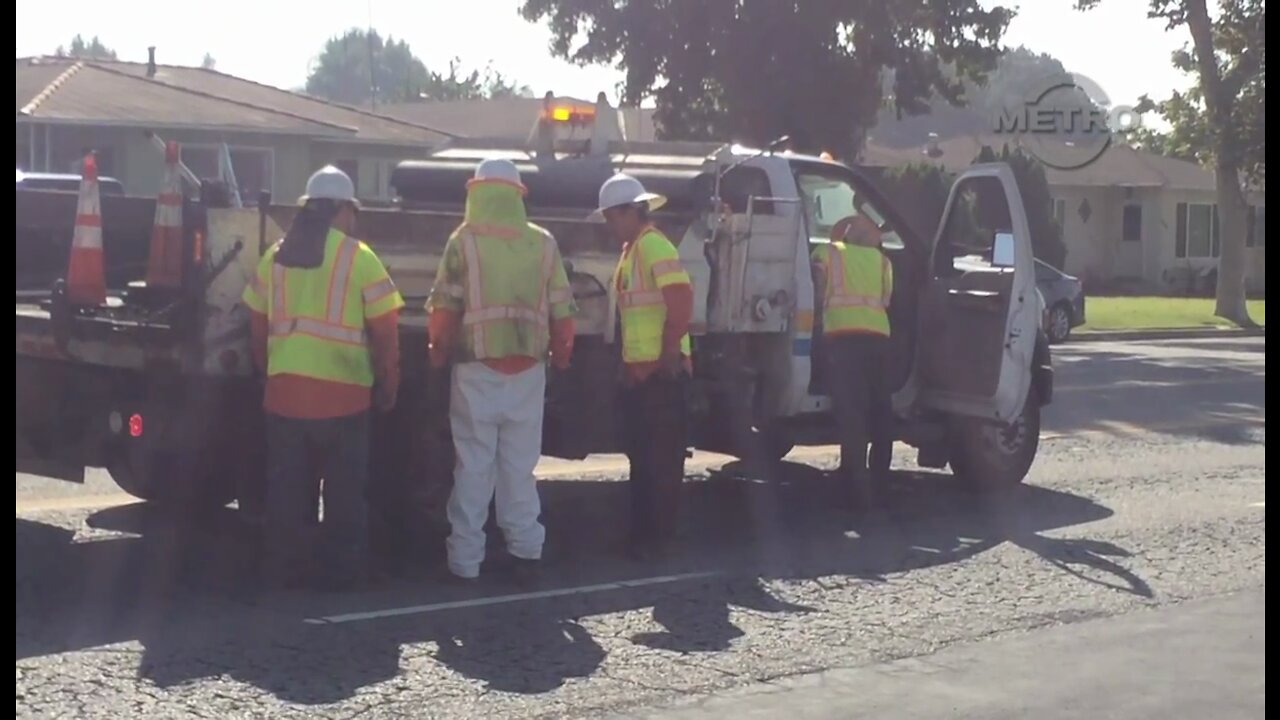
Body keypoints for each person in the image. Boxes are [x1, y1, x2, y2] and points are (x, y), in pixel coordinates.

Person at [241, 165, 404, 589]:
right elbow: (386, 331)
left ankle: (281, 572)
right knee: (345, 494)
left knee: (288, 492)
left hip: (285, 397)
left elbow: (256, 323)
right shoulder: (359, 257)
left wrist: (267, 371)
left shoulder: (274, 256)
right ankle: (342, 575)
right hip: (344, 398)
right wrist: (388, 383)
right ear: (343, 211)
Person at [426, 159, 577, 584]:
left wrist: (437, 354)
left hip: (477, 369)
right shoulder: (543, 243)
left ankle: (465, 562)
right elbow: (564, 316)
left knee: (473, 465)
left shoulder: (465, 241)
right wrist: (561, 357)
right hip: (529, 371)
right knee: (519, 466)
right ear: (517, 196)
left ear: (475, 192)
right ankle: (527, 552)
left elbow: (445, 310)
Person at [594, 173, 694, 559]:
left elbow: (681, 298)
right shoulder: (633, 249)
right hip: (643, 373)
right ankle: (643, 537)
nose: (608, 224)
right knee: (645, 458)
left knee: (661, 462)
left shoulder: (652, 246)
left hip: (661, 374)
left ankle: (657, 540)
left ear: (630, 211)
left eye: (611, 216)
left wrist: (669, 351)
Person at [810, 214, 893, 510]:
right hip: (878, 339)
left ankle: (855, 488)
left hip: (843, 339)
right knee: (882, 412)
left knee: (853, 413)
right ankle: (880, 484)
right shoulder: (883, 262)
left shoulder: (827, 253)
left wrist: (817, 324)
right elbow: (886, 301)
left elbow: (817, 292)